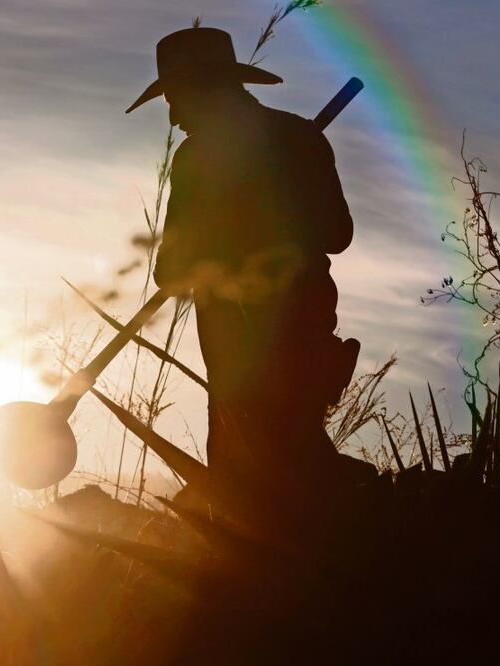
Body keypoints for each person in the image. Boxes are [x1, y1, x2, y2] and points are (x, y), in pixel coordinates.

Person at [126, 27, 362, 498]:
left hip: (243, 348)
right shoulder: (298, 137)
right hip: (303, 334)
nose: (173, 118)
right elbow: (338, 234)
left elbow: (171, 273)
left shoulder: (198, 158)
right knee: (292, 464)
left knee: (257, 477)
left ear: (205, 89)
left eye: (175, 99)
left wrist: (248, 224)